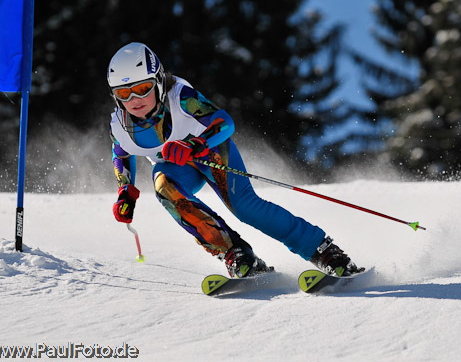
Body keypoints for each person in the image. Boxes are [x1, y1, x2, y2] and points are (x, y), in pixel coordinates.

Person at [107, 42, 363, 278]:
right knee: (164, 188)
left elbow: (225, 123)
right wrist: (125, 191)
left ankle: (324, 251)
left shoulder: (181, 97)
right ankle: (234, 253)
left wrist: (196, 143)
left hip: (211, 153)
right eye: (123, 93)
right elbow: (121, 154)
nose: (134, 100)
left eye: (142, 89)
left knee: (245, 207)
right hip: (177, 168)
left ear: (159, 82)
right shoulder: (120, 124)